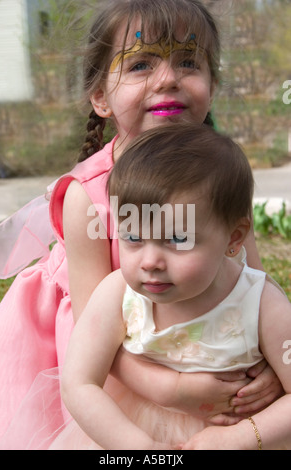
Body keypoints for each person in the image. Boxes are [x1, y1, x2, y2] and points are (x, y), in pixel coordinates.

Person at [0, 0, 285, 450]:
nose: (168, 78)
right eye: (141, 64)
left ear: (212, 82)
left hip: (199, 328)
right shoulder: (87, 197)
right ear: (101, 97)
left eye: (188, 61)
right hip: (117, 352)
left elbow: (249, 276)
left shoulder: (219, 173)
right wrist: (173, 390)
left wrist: (267, 365)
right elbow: (98, 328)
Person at [53, 124, 291, 450]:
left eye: (177, 239)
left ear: (233, 238)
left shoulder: (261, 303)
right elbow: (78, 383)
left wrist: (240, 437)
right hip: (134, 433)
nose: (150, 261)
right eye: (133, 237)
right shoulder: (117, 294)